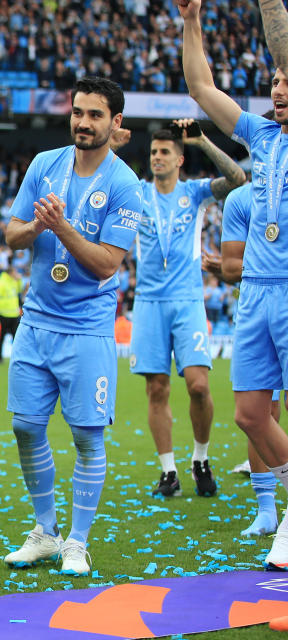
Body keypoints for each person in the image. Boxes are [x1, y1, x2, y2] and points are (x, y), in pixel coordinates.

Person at [2, 76, 142, 576]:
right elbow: (12, 234)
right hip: (36, 322)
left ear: (116, 123)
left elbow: (107, 264)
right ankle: (45, 532)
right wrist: (39, 225)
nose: (83, 122)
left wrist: (62, 226)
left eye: (96, 115)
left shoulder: (125, 184)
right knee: (25, 426)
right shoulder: (45, 165)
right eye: (78, 112)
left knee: (86, 435)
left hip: (87, 327)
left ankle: (77, 542)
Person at [179, 0, 288, 569]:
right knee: (249, 414)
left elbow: (285, 49)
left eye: (287, 78)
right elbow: (200, 84)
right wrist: (191, 19)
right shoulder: (262, 137)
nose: (278, 87)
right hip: (257, 296)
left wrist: (270, 3)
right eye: (273, 80)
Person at [116, 119, 244, 499]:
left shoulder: (197, 192)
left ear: (179, 158)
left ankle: (201, 459)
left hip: (188, 301)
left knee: (199, 386)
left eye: (165, 152)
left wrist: (203, 140)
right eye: (153, 152)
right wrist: (114, 147)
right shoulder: (137, 194)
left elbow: (237, 179)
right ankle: (168, 471)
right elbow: (99, 177)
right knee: (157, 389)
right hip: (150, 304)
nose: (157, 157)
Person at [204, 182, 284, 536]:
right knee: (257, 415)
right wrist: (267, 257)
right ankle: (266, 509)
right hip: (259, 306)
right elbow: (232, 266)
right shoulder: (241, 199)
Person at [0, 266, 23, 363]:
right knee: (2, 335)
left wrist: (19, 280)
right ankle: (0, 356)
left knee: (15, 336)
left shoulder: (13, 281)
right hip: (3, 313)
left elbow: (19, 290)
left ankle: (16, 356)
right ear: (10, 272)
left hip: (14, 312)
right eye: (15, 271)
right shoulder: (1, 282)